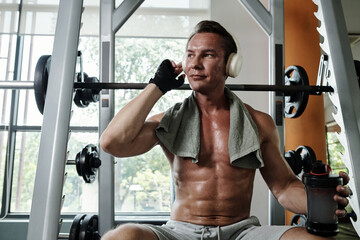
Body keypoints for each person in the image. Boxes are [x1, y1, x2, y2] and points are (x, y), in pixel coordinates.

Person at [100, 20, 350, 240]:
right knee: (121, 236)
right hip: (179, 232)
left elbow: (283, 187)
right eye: (189, 55)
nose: (194, 64)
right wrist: (157, 86)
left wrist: (322, 201)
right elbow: (112, 143)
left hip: (241, 232)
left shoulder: (258, 123)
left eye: (207, 55)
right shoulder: (170, 121)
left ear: (231, 65)